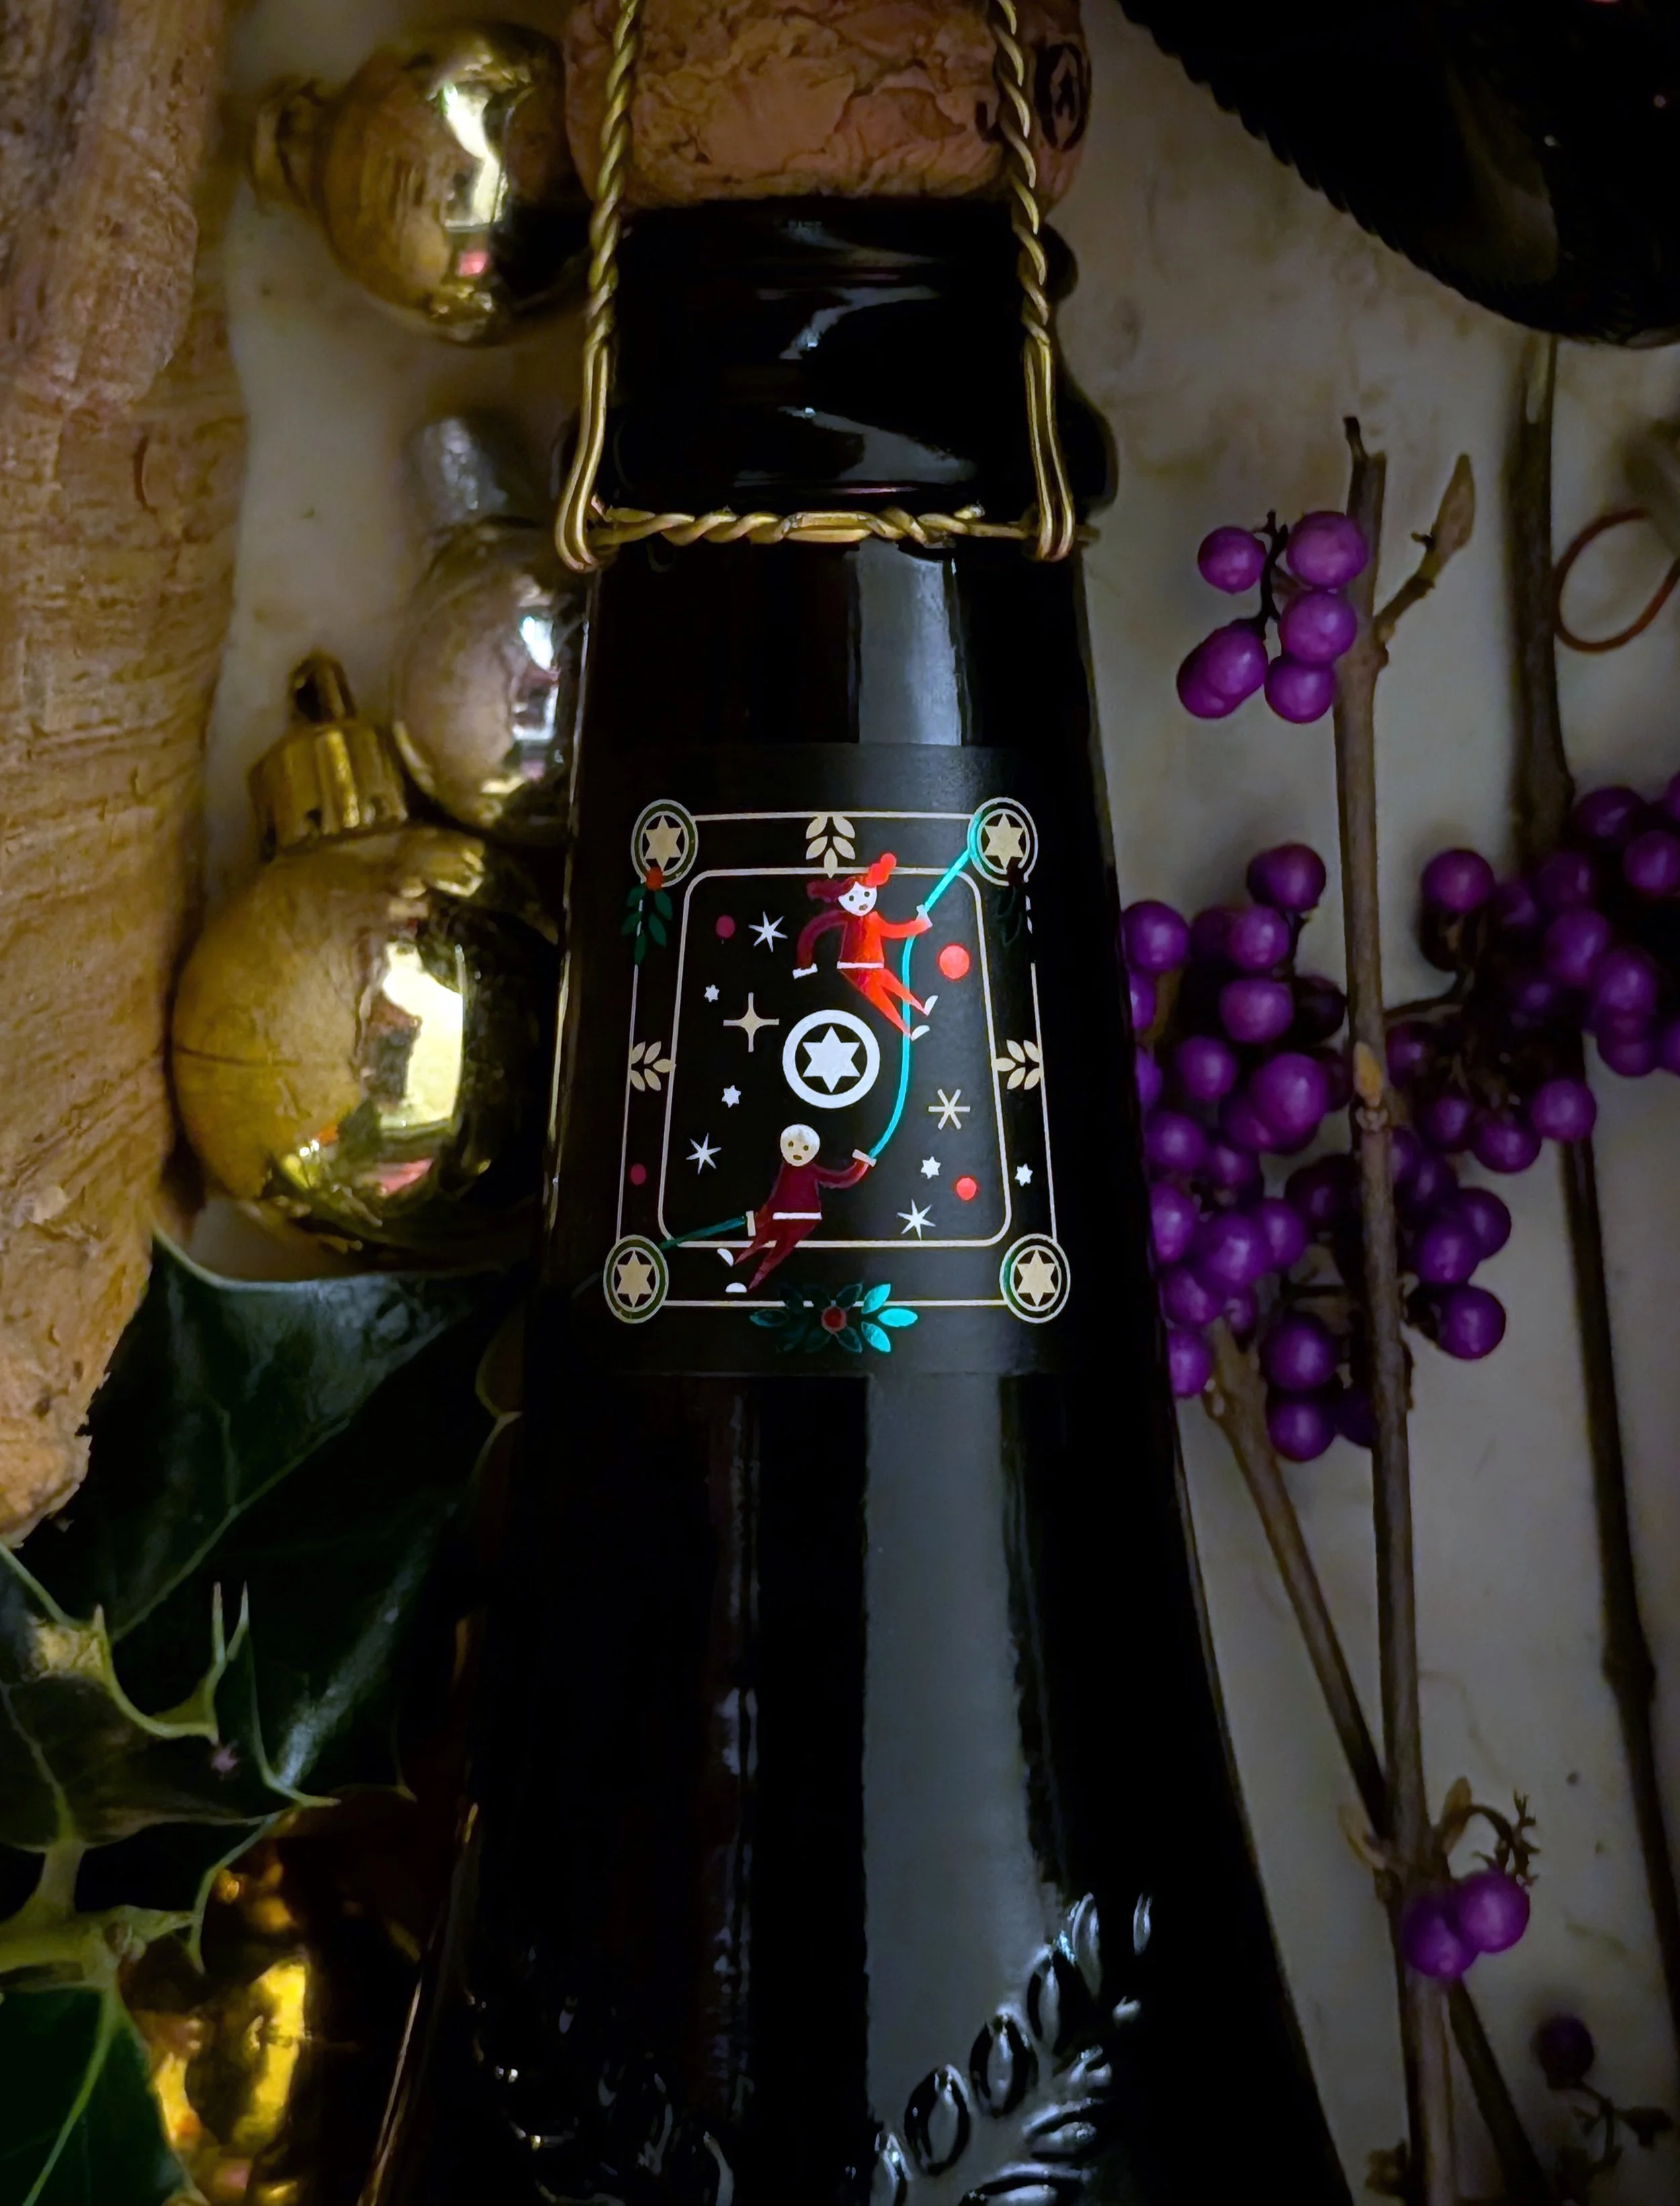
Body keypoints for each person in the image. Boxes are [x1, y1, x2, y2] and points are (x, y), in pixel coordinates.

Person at [793, 852, 935, 1038]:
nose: (861, 903)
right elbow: (813, 930)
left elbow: (894, 931)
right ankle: (907, 1031)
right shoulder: (844, 918)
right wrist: (805, 961)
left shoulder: (873, 919)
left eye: (866, 894)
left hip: (875, 966)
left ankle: (922, 1008)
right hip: (856, 970)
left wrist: (921, 925)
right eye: (852, 898)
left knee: (897, 987)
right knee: (883, 1002)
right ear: (842, 900)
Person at [722, 1123, 874, 1289]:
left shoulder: (811, 1170)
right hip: (781, 1215)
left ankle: (751, 1284)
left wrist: (861, 1165)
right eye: (792, 1145)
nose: (797, 1152)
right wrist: (764, 1214)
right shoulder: (786, 1168)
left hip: (803, 1218)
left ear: (813, 1151)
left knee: (777, 1253)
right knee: (759, 1240)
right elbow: (779, 1196)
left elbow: (839, 1179)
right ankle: (736, 1263)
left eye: (805, 1147)